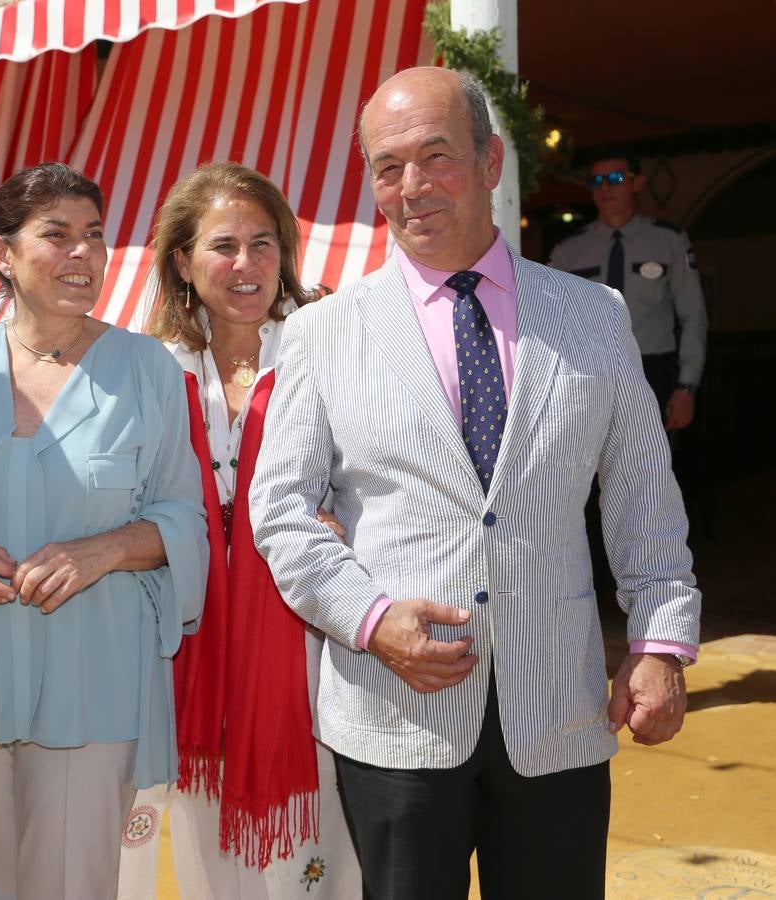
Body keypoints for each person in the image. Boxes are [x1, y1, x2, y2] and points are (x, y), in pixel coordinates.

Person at [248, 67, 702, 900]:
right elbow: (278, 512)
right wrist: (372, 619)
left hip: (557, 709)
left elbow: (642, 491)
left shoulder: (592, 316)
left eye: (436, 155)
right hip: (395, 716)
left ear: (492, 162)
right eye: (388, 166)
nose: (411, 186)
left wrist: (660, 642)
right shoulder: (322, 333)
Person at [0, 162, 208, 900]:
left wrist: (99, 552)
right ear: (3, 254)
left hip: (93, 676)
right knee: (1, 885)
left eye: (95, 236)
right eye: (58, 235)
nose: (82, 254)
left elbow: (182, 518)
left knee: (70, 888)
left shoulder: (149, 370)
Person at [118, 161, 360, 900]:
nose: (247, 264)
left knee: (320, 863)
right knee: (210, 861)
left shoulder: (330, 350)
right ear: (184, 262)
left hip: (314, 655)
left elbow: (387, 475)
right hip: (193, 660)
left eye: (263, 243)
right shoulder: (153, 371)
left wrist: (343, 520)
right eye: (224, 246)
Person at [548, 153, 707, 431]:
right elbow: (550, 320)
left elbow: (694, 315)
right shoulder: (568, 251)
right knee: (588, 471)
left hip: (651, 372)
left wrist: (687, 386)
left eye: (616, 179)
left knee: (649, 468)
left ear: (637, 184)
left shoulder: (668, 241)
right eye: (597, 181)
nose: (605, 188)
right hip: (588, 374)